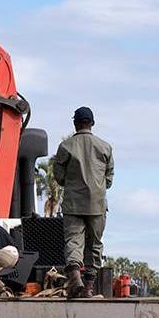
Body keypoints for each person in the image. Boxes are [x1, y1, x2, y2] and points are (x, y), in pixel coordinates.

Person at [52, 106, 114, 298]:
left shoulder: (66, 146)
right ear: (92, 123)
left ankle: (75, 276)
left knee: (73, 240)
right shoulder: (105, 147)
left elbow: (59, 175)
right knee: (95, 244)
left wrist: (71, 183)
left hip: (73, 203)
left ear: (75, 123)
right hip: (97, 204)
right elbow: (109, 179)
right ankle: (88, 288)